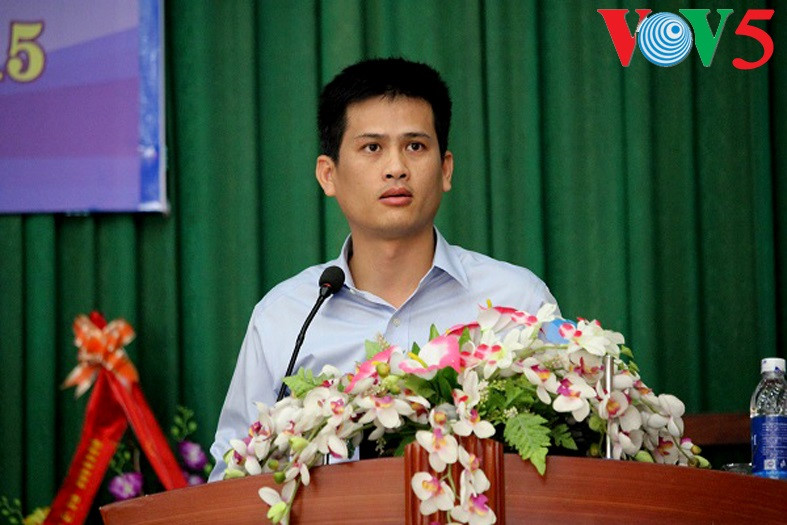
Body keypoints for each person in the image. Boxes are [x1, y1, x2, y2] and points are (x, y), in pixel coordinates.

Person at [208, 57, 558, 481]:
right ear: (328, 175)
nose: (396, 168)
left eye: (415, 146)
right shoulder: (283, 318)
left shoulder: (517, 300)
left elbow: (564, 465)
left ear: (445, 169)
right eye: (372, 148)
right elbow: (233, 476)